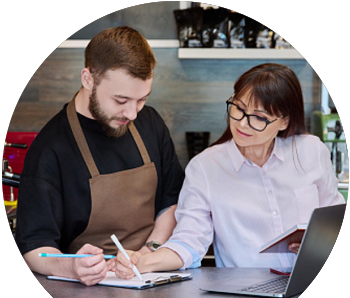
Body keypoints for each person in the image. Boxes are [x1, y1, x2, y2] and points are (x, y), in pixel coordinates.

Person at [114, 63, 345, 279]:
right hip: (244, 291)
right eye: (239, 108)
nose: (242, 124)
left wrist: (316, 241)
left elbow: (334, 220)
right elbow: (189, 241)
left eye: (259, 118)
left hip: (315, 283)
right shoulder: (205, 167)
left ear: (284, 122)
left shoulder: (311, 151)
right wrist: (144, 262)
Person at [15, 26, 185, 286]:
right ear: (88, 79)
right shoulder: (50, 149)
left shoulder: (150, 122)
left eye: (141, 100)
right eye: (121, 100)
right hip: (90, 289)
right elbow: (35, 247)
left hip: (154, 274)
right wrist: (73, 268)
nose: (132, 114)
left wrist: (148, 252)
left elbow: (171, 202)